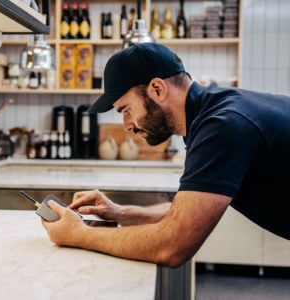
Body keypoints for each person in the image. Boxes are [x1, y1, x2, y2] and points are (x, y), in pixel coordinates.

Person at [41, 43, 290, 267]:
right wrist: (120, 213)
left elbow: (171, 246)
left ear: (157, 89)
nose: (126, 125)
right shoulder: (211, 114)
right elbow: (191, 209)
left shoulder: (223, 125)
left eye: (126, 110)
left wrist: (78, 234)